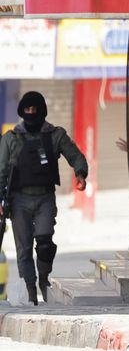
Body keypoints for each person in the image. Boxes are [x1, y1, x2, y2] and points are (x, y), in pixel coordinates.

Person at [0, 91, 88, 305]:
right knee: (24, 249)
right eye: (27, 110)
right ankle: (31, 292)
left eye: (34, 110)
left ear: (41, 111)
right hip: (19, 200)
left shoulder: (54, 135)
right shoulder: (11, 139)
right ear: (22, 111)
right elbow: (1, 170)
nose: (31, 114)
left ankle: (44, 280)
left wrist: (80, 173)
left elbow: (75, 155)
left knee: (45, 241)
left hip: (45, 197)